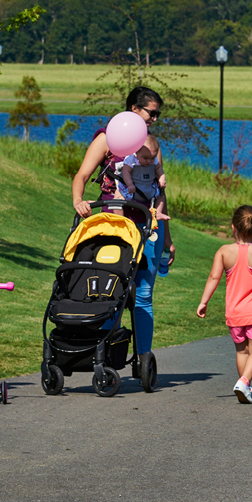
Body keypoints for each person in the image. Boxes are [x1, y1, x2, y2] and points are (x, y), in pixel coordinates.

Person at [72, 86, 174, 374]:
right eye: (151, 112)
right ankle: (107, 356)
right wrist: (79, 201)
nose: (154, 118)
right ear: (134, 110)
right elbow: (81, 175)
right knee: (110, 291)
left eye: (157, 114)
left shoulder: (151, 144)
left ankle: (143, 358)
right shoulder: (107, 138)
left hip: (147, 227)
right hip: (114, 227)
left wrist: (168, 237)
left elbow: (159, 192)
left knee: (142, 295)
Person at [196, 206, 252, 404]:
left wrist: (204, 302)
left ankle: (244, 384)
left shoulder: (224, 251)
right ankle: (244, 381)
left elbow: (213, 277)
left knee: (242, 351)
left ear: (233, 228)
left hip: (234, 313)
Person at [120, 133, 167, 221]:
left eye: (152, 158)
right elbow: (125, 172)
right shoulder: (131, 159)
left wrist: (162, 178)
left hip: (148, 185)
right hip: (132, 187)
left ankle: (158, 212)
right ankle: (120, 218)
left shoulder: (154, 160)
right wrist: (129, 184)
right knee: (118, 196)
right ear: (137, 152)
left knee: (161, 194)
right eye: (145, 158)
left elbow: (159, 168)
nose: (149, 161)